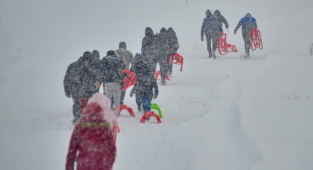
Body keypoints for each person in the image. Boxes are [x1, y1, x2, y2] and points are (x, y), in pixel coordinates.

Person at [65, 93, 117, 170]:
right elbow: (112, 148)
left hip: (84, 164)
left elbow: (72, 150)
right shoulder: (105, 126)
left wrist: (69, 166)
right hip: (102, 164)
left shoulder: (80, 125)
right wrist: (109, 164)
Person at [100, 50, 125, 117]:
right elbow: (123, 71)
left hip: (107, 82)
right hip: (117, 82)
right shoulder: (120, 60)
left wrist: (103, 79)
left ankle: (107, 114)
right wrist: (122, 81)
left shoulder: (105, 59)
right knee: (117, 99)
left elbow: (101, 70)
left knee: (107, 99)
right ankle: (116, 115)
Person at [63, 56, 85, 123]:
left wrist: (67, 91)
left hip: (74, 88)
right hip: (84, 88)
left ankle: (77, 118)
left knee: (76, 103)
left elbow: (66, 79)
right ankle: (85, 117)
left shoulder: (72, 66)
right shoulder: (85, 67)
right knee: (85, 102)